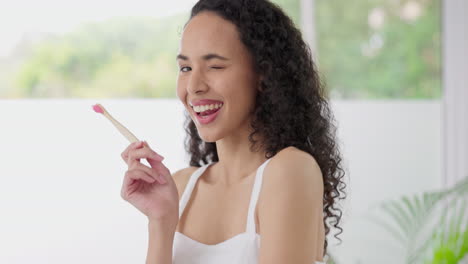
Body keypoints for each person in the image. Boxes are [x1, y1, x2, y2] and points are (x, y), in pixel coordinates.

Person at [120, 0, 346, 263]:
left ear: (264, 73)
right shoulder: (180, 188)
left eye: (215, 66)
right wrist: (160, 223)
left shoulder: (289, 171)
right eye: (185, 68)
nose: (193, 86)